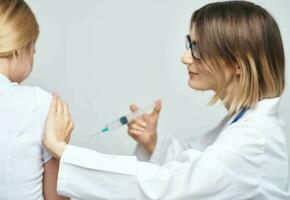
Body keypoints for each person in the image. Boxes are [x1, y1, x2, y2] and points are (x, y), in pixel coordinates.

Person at [43, 1, 289, 199]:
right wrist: (153, 143)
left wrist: (63, 151)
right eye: (189, 44)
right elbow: (199, 160)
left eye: (198, 49)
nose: (185, 58)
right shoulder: (243, 121)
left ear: (237, 63)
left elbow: (168, 187)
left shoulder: (253, 141)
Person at [0, 0, 69, 199]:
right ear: (19, 48)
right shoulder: (39, 104)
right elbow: (55, 197)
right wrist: (60, 145)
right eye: (33, 49)